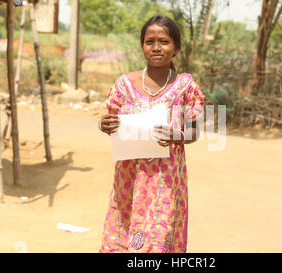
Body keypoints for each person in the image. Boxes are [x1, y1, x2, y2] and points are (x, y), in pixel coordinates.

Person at [98, 15, 205, 253]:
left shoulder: (185, 86)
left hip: (166, 182)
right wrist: (104, 125)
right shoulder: (125, 84)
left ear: (176, 48)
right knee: (123, 236)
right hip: (129, 178)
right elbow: (111, 120)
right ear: (142, 46)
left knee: (157, 241)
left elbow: (195, 131)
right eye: (150, 41)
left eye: (164, 41)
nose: (156, 47)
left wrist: (176, 135)